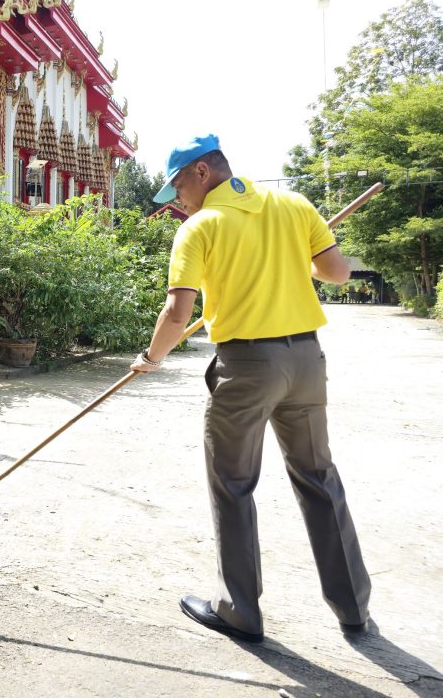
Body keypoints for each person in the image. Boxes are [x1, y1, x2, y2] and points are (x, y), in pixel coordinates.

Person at [130, 134, 371, 643]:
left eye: (178, 186)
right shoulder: (293, 204)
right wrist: (297, 260)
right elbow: (337, 273)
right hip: (306, 361)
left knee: (233, 482)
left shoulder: (201, 227)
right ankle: (353, 606)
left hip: (247, 367)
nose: (178, 200)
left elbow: (177, 312)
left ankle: (239, 611)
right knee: (318, 477)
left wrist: (151, 358)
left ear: (201, 172)